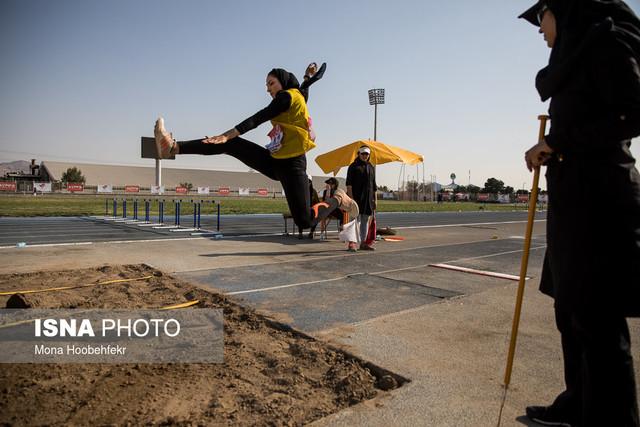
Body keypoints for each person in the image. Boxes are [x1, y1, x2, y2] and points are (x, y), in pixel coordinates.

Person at [520, 1, 640, 426]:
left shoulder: (606, 39)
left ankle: (611, 419)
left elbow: (630, 114)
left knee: (597, 322)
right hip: (574, 201)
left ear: (566, 11)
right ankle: (579, 403)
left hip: (600, 203)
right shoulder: (574, 56)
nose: (539, 29)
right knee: (570, 310)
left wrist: (558, 142)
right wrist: (553, 146)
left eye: (543, 16)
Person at [153, 62, 358, 234]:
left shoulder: (287, 97)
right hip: (274, 161)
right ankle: (172, 148)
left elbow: (258, 118)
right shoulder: (297, 96)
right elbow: (304, 90)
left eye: (271, 83)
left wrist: (227, 133)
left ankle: (338, 198)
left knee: (304, 221)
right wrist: (308, 77)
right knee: (231, 145)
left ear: (282, 82)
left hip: (293, 165)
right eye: (267, 85)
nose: (268, 89)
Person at [346, 145, 377, 251]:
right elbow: (348, 184)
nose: (365, 156)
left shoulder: (371, 167)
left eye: (366, 154)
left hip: (367, 200)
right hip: (356, 199)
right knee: (353, 221)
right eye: (362, 153)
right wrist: (351, 198)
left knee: (365, 221)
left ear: (369, 155)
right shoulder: (353, 166)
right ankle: (351, 243)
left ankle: (363, 243)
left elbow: (374, 185)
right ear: (358, 154)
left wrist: (375, 200)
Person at [298, 174, 319, 239]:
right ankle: (300, 233)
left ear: (311, 182)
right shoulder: (300, 190)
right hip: (303, 209)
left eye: (309, 181)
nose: (307, 183)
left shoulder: (313, 192)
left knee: (316, 216)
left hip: (311, 209)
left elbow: (317, 202)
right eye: (306, 181)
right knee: (299, 215)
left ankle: (312, 232)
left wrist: (312, 207)